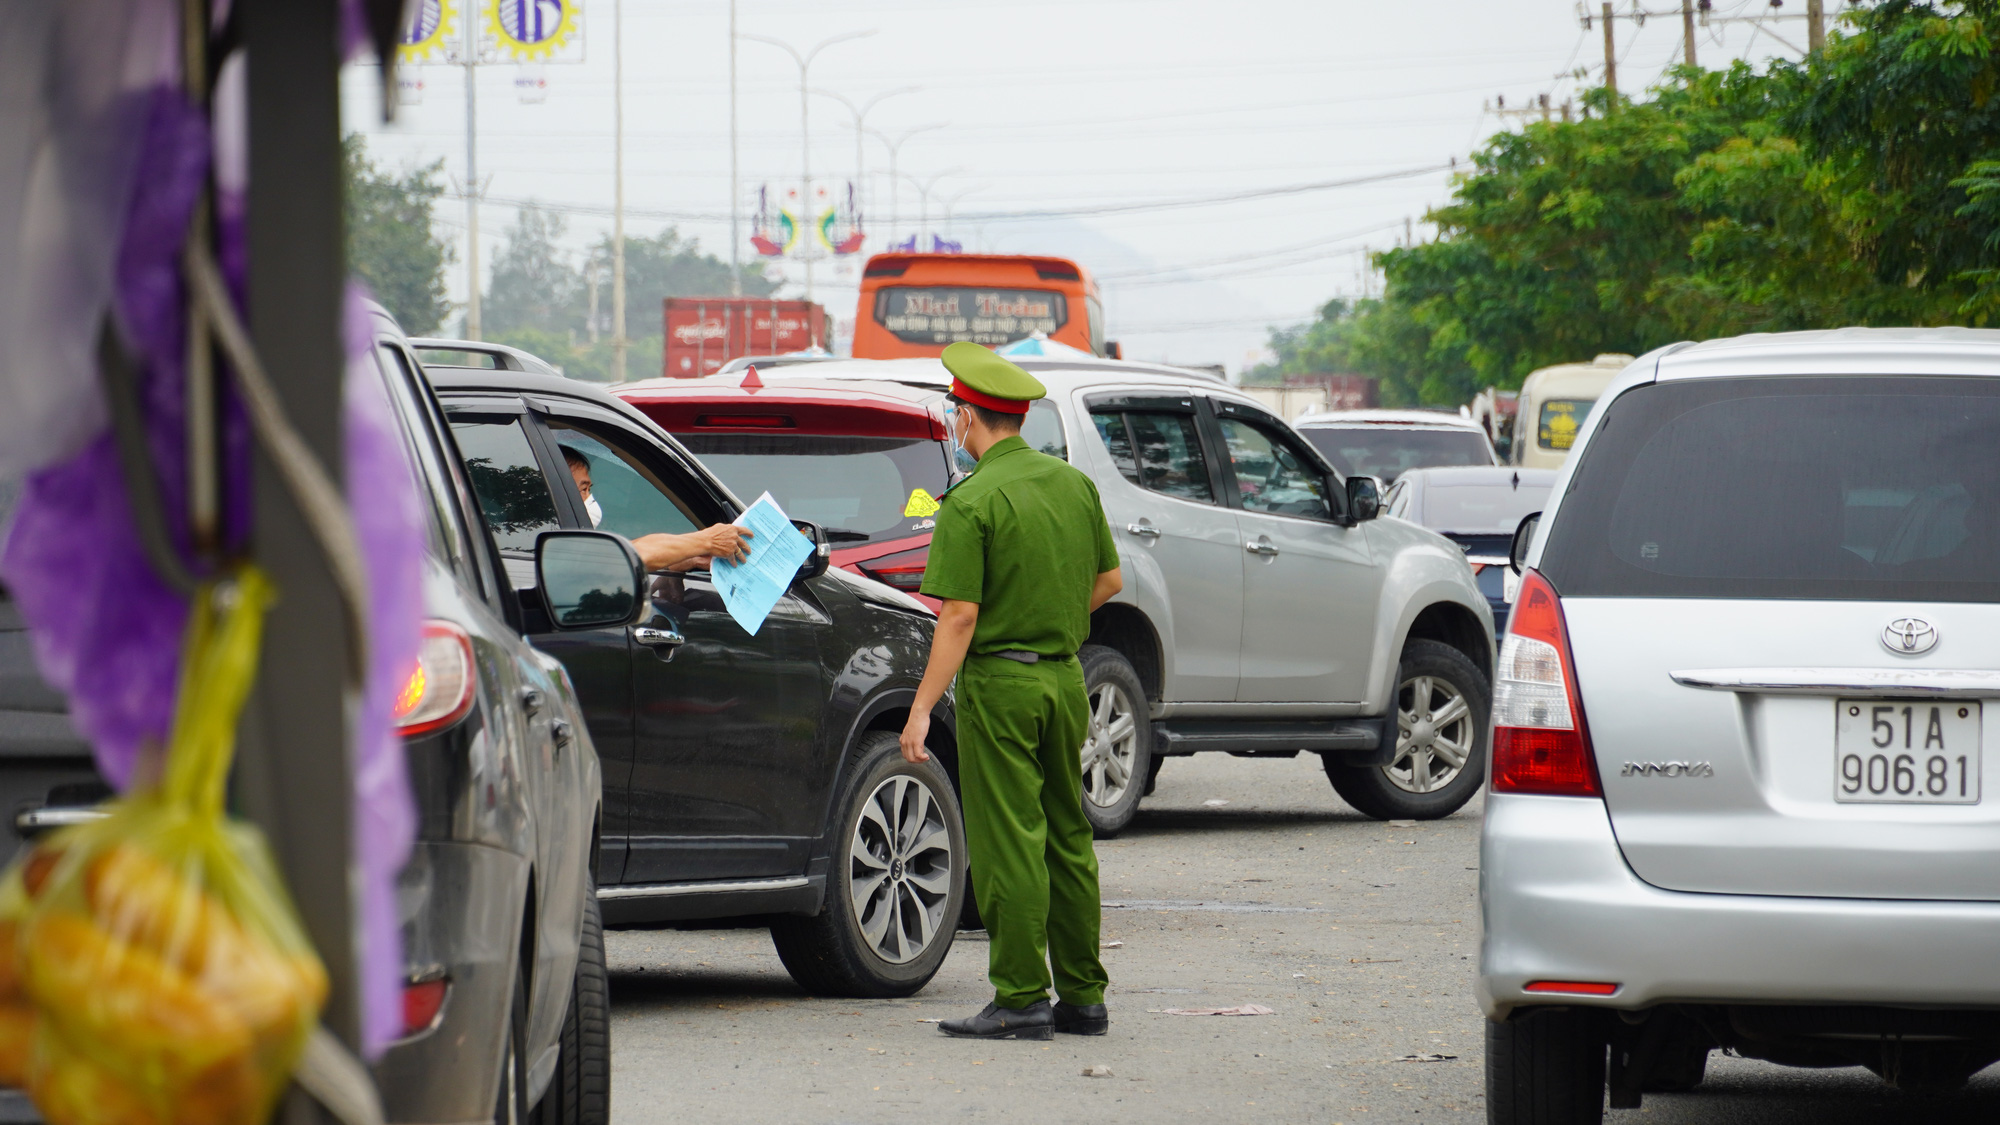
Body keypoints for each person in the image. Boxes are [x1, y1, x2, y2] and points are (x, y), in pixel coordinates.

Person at [899, 342, 1124, 1041]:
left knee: (1009, 841)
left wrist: (921, 707)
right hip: (1065, 677)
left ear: (967, 416)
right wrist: (1052, 614)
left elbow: (959, 615)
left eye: (953, 411)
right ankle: (1084, 997)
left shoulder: (972, 499)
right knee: (1067, 834)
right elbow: (1109, 582)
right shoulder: (1072, 485)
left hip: (1003, 680)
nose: (952, 422)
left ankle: (1022, 995)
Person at [560, 445, 751, 572]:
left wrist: (688, 559)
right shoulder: (552, 548)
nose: (590, 499)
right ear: (554, 490)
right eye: (583, 490)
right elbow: (626, 555)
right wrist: (708, 540)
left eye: (589, 490)